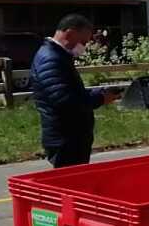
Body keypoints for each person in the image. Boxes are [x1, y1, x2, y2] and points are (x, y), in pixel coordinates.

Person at [30, 14, 120, 168]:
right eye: (83, 41)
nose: (84, 47)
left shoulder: (60, 56)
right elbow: (65, 101)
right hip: (65, 139)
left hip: (72, 137)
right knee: (68, 186)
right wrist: (100, 99)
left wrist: (98, 92)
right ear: (70, 33)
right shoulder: (51, 59)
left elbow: (70, 92)